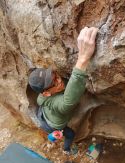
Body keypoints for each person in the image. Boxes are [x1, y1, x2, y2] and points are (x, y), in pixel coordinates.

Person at [28, 27, 98, 155]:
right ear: (46, 93)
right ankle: (66, 149)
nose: (59, 81)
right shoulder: (58, 105)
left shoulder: (43, 96)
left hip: (43, 115)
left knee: (47, 124)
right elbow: (67, 102)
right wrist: (82, 59)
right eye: (53, 83)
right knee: (70, 134)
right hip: (53, 124)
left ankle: (51, 136)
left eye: (55, 76)